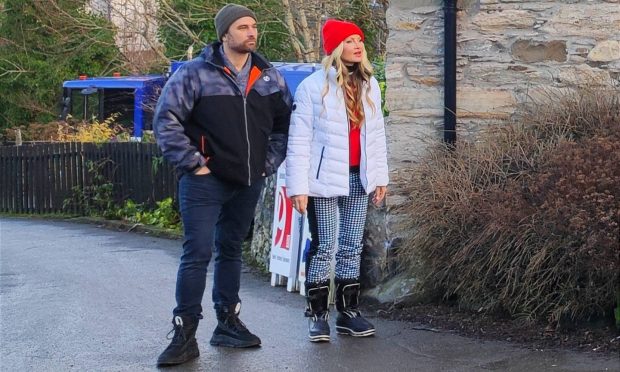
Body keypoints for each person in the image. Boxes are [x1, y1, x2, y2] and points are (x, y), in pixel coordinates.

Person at [153, 3, 292, 366]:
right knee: (197, 253)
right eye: (243, 27)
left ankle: (228, 322)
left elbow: (284, 124)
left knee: (231, 250)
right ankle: (184, 334)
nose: (251, 32)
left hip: (248, 180)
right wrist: (193, 164)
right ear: (225, 34)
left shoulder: (268, 76)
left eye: (254, 26)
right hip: (205, 182)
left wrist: (267, 163)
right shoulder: (195, 74)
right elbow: (166, 120)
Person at [285, 19, 389, 342]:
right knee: (325, 246)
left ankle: (348, 312)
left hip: (360, 176)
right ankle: (317, 315)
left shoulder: (369, 85)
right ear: (335, 48)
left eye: (360, 39)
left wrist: (380, 176)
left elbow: (377, 136)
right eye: (349, 40)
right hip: (323, 180)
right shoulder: (313, 87)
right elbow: (299, 140)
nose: (358, 45)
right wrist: (298, 188)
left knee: (351, 246)